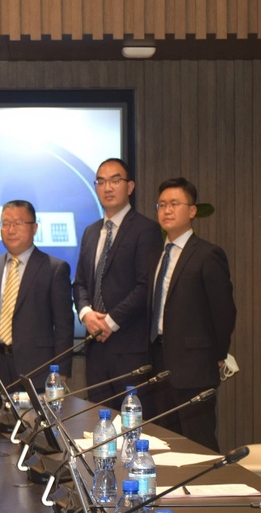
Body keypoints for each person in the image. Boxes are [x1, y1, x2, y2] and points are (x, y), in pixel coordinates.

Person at [148, 178, 236, 452]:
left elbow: (224, 310)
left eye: (174, 204)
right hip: (159, 363)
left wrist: (217, 354)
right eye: (162, 204)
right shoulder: (157, 255)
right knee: (166, 445)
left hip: (195, 366)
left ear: (193, 211)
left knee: (199, 446)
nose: (167, 210)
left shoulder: (208, 254)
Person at [73, 158, 162, 406]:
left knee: (132, 422)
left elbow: (145, 287)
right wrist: (86, 314)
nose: (107, 188)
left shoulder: (146, 230)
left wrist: (109, 322)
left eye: (115, 181)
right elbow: (80, 283)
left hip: (129, 350)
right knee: (98, 420)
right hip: (95, 349)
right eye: (101, 182)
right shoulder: (91, 232)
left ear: (130, 187)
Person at [0, 200, 74, 387]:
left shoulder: (54, 268)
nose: (11, 230)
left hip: (37, 368)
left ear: (35, 228)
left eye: (18, 223)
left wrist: (62, 371)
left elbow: (64, 325)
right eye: (5, 223)